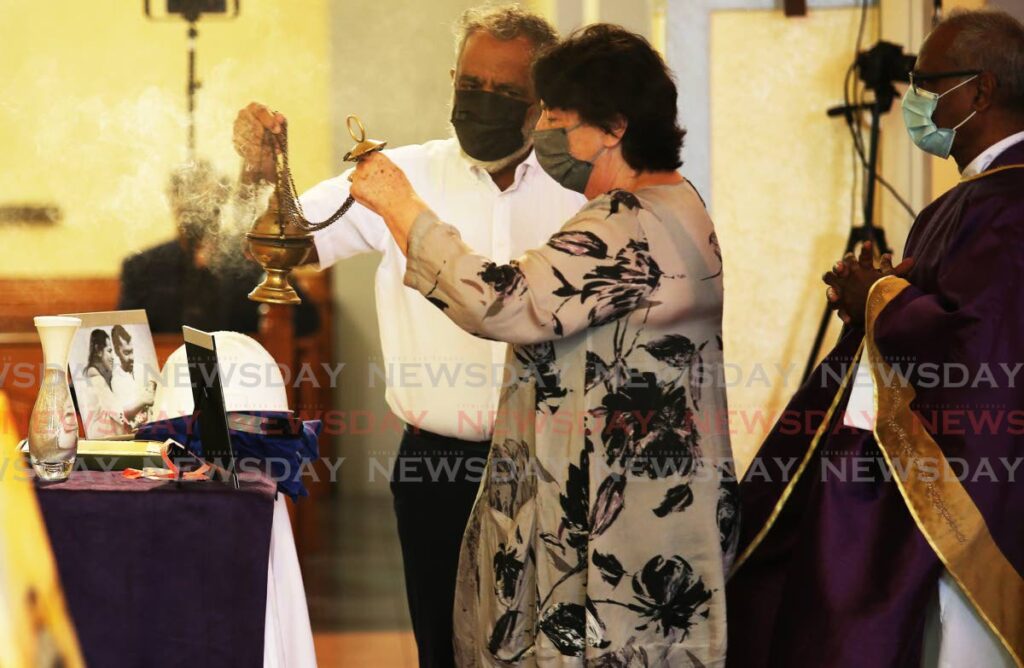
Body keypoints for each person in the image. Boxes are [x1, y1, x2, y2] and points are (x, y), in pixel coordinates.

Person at [350, 23, 736, 666]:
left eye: (559, 115)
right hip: (655, 495)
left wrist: (402, 208)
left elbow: (502, 301)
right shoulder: (677, 200)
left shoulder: (627, 223)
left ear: (614, 126)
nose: (544, 129)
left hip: (626, 516)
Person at [233, 6, 585, 666]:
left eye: (506, 94)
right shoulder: (401, 178)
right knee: (445, 648)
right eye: (470, 85)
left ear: (545, 104)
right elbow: (284, 243)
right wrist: (265, 169)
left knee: (552, 650)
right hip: (439, 463)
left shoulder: (580, 192)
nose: (483, 102)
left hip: (552, 463)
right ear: (452, 78)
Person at [726, 9, 1024, 667]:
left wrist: (879, 297)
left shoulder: (1006, 207)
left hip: (973, 500)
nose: (916, 101)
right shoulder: (968, 202)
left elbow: (976, 347)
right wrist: (880, 294)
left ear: (979, 92)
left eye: (928, 82)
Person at [118, 159, 319, 336]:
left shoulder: (251, 257)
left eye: (204, 199)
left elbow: (307, 322)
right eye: (187, 198)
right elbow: (127, 337)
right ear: (173, 201)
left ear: (221, 199)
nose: (195, 210)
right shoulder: (143, 267)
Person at [82, 328, 129, 438]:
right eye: (109, 351)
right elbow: (117, 413)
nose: (113, 357)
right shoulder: (96, 380)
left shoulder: (95, 377)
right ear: (98, 351)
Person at [110, 325, 156, 430]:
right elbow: (123, 416)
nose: (131, 357)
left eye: (132, 351)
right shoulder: (116, 380)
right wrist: (143, 400)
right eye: (126, 353)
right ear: (117, 351)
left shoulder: (141, 369)